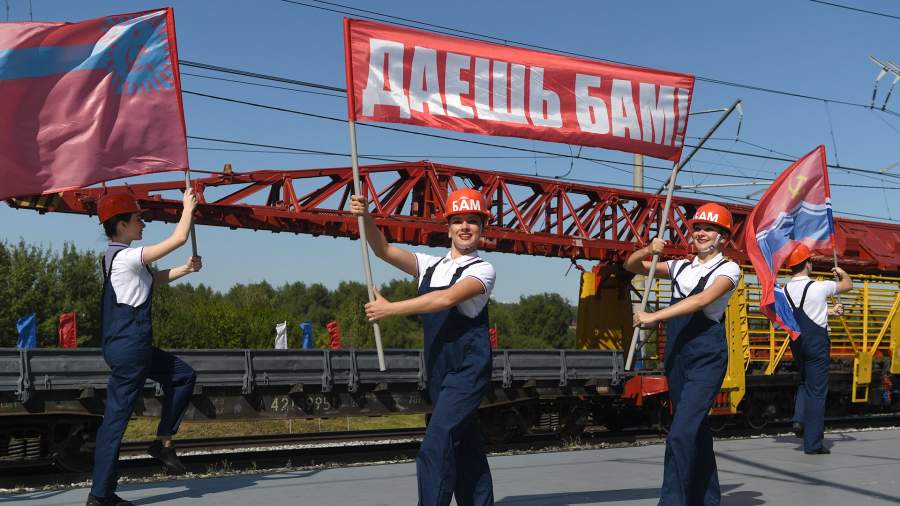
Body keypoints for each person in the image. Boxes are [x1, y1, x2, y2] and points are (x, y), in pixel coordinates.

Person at [350, 188, 495, 506]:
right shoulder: (429, 266)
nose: (465, 227)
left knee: (437, 441)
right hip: (439, 370)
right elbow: (383, 250)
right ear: (449, 227)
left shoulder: (482, 270)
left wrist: (391, 309)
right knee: (463, 445)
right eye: (458, 221)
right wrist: (367, 217)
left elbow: (446, 298)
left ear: (483, 227)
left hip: (467, 369)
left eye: (472, 220)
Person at [88, 190, 202, 506]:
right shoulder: (125, 256)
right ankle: (100, 495)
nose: (143, 224)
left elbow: (154, 280)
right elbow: (179, 237)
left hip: (129, 347)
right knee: (114, 422)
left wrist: (187, 269)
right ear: (122, 225)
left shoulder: (115, 258)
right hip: (131, 348)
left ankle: (162, 443)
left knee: (182, 375)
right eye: (138, 219)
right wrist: (187, 208)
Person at [625, 203, 741, 506]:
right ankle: (708, 499)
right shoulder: (680, 266)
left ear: (723, 237)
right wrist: (648, 249)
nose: (701, 233)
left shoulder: (728, 270)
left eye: (709, 229)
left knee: (680, 433)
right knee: (696, 431)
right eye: (698, 228)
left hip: (706, 359)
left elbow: (702, 299)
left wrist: (655, 316)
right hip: (678, 357)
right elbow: (632, 266)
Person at [782, 243, 852, 455]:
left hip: (796, 342)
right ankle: (813, 444)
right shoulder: (818, 286)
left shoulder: (783, 290)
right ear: (808, 264)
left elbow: (798, 315)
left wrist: (829, 312)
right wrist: (841, 272)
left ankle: (799, 420)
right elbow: (847, 285)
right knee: (817, 391)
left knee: (805, 381)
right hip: (816, 343)